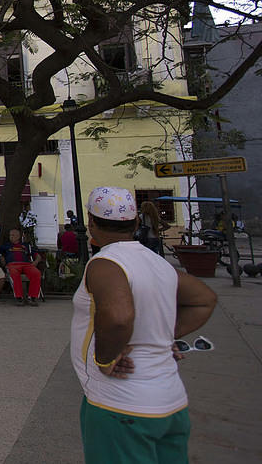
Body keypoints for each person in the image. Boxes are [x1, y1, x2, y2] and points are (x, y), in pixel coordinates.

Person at [72, 186, 217, 464]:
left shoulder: (105, 263)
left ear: (91, 222)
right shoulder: (157, 263)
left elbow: (119, 317)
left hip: (121, 406)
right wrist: (162, 335)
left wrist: (105, 359)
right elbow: (204, 300)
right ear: (136, 223)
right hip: (171, 402)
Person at [1, 228, 42, 306]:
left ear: (18, 236)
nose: (11, 237)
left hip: (26, 264)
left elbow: (38, 256)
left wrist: (35, 262)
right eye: (10, 235)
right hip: (12, 264)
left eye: (13, 235)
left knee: (36, 273)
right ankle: (19, 297)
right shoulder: (6, 246)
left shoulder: (26, 246)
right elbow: (0, 255)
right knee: (14, 274)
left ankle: (32, 297)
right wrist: (3, 261)